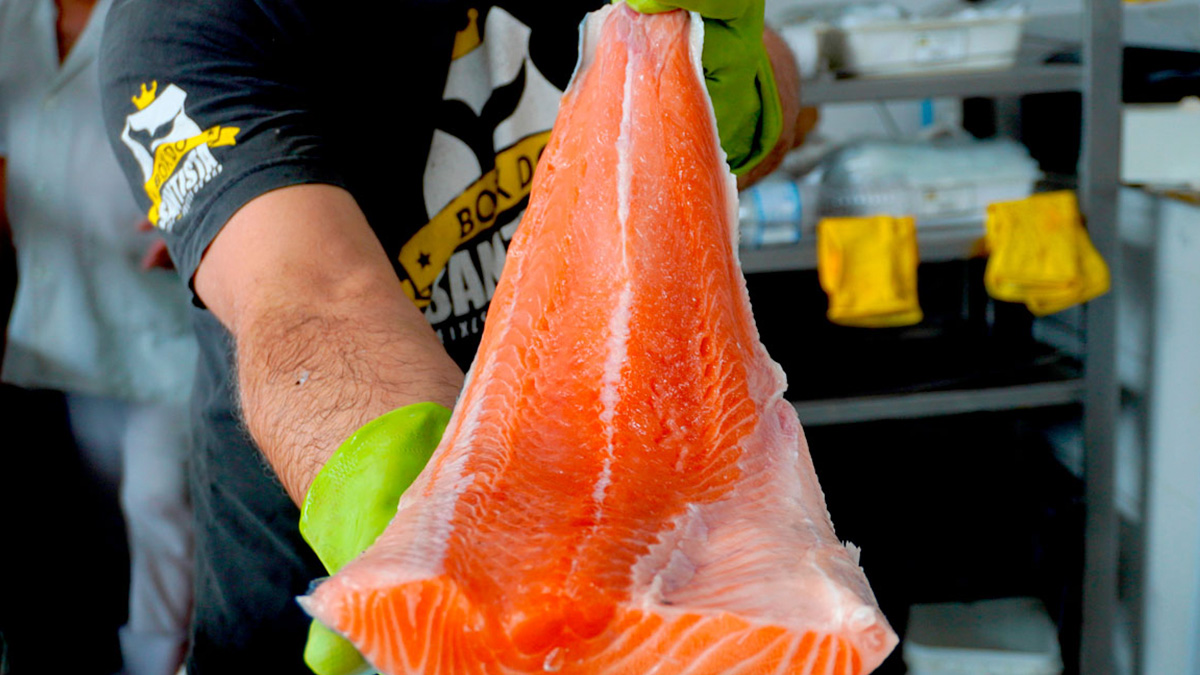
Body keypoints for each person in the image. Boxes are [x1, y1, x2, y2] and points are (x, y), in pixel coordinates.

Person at [98, 1, 813, 672]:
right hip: (315, 573)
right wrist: (441, 523)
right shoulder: (189, 22)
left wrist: (742, 84)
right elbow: (308, 293)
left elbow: (769, 74)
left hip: (650, 540)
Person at [0, 0, 197, 673]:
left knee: (157, 502)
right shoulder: (11, 21)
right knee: (82, 520)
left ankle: (161, 664)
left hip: (162, 324)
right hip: (55, 314)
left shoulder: (159, 13)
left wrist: (200, 217)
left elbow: (214, 121)